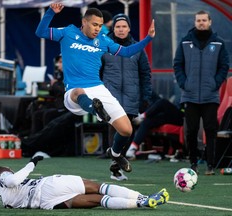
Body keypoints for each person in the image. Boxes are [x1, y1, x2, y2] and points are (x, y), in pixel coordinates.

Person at [35, 3, 155, 174]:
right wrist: (50, 13)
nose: (98, 29)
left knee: (126, 130)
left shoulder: (104, 41)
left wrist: (148, 38)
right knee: (78, 92)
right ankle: (96, 110)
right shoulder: (68, 32)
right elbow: (40, 32)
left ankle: (115, 153)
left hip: (98, 89)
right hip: (75, 91)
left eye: (100, 25)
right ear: (84, 22)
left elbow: (127, 52)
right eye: (94, 25)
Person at [0, 155, 169, 210]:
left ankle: (138, 204)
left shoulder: (5, 200)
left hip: (47, 204)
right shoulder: (2, 176)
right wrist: (32, 163)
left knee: (98, 200)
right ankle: (143, 198)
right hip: (49, 186)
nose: (9, 169)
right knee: (99, 187)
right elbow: (15, 178)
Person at [173, 10, 229, 175]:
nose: (201, 23)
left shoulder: (218, 43)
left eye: (204, 20)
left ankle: (210, 165)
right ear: (195, 22)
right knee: (191, 131)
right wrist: (184, 83)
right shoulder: (185, 42)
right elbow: (178, 64)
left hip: (210, 95)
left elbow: (224, 66)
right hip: (190, 95)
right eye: (198, 20)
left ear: (210, 22)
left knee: (211, 130)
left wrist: (215, 83)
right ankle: (193, 162)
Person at [100, 13, 152, 180]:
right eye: (117, 26)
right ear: (113, 29)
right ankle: (116, 167)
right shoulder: (104, 47)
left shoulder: (137, 49)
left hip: (131, 95)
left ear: (129, 28)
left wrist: (146, 97)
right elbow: (96, 72)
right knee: (114, 128)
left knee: (128, 131)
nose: (121, 29)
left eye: (124, 26)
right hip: (110, 96)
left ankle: (115, 161)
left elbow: (145, 74)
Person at [125, 95, 185, 160]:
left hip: (182, 117)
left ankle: (142, 116)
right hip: (168, 115)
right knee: (147, 121)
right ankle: (131, 149)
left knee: (163, 102)